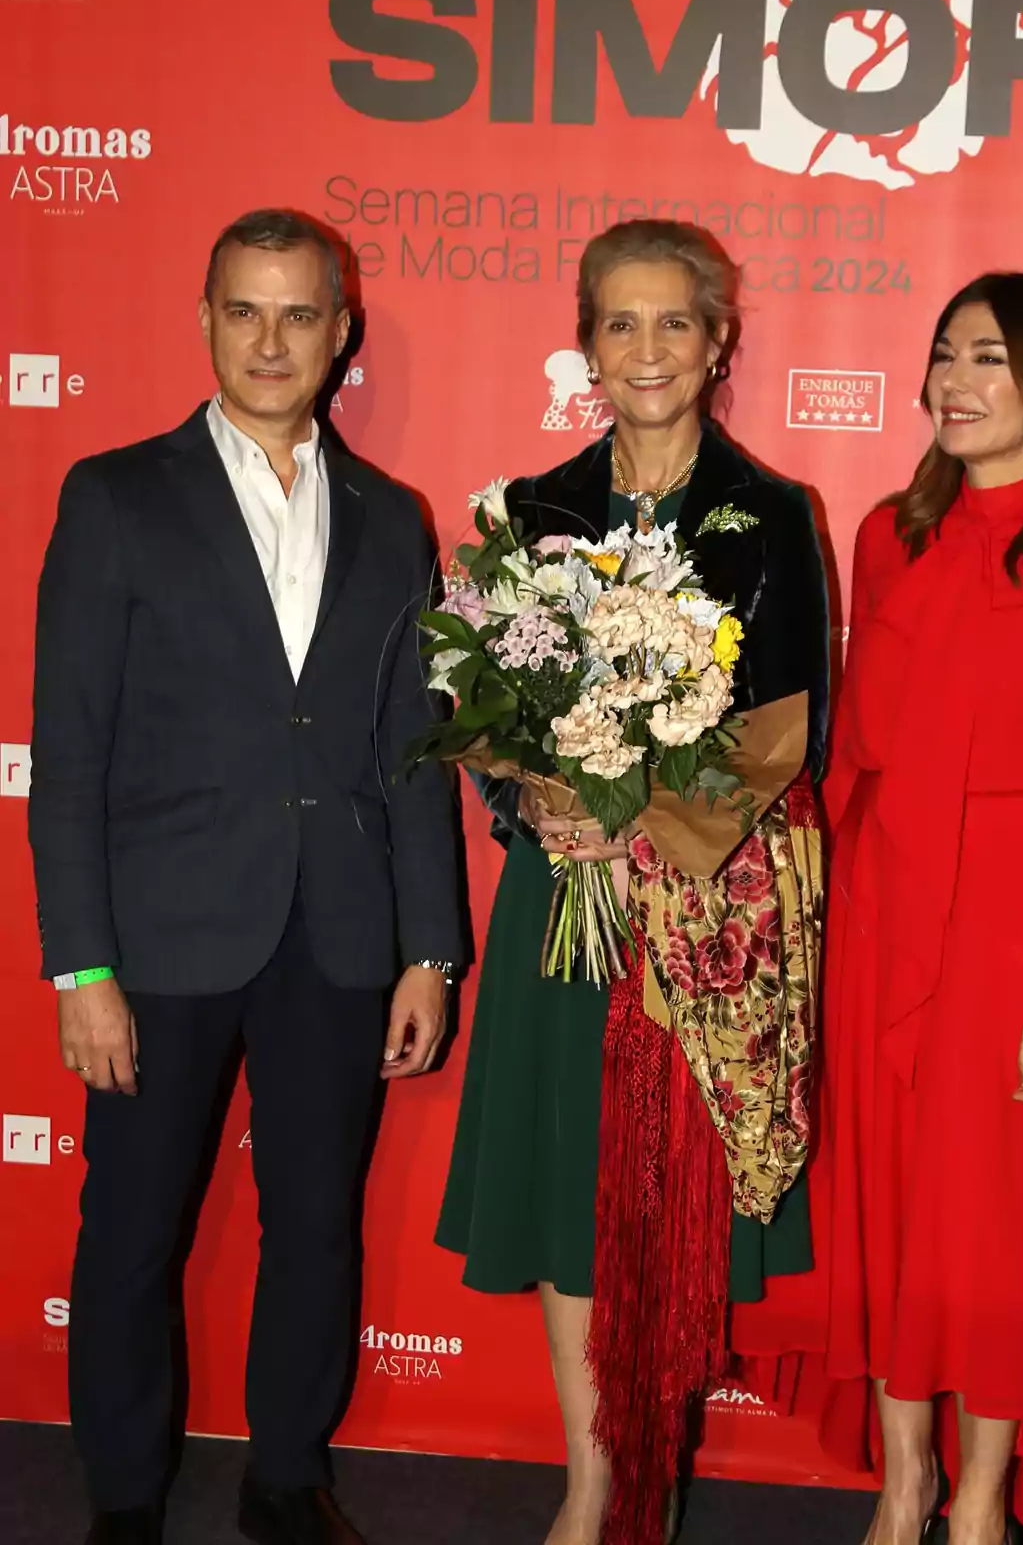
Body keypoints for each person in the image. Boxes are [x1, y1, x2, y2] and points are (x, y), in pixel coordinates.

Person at [29, 209, 466, 1545]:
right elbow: (70, 753)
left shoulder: (396, 519)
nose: (271, 342)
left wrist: (429, 949)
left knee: (316, 1226)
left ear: (344, 332)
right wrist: (82, 966)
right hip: (160, 939)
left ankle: (287, 1477)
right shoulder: (115, 494)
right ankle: (121, 1497)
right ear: (207, 318)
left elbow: (415, 752)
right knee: (134, 1234)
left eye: (298, 315)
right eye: (243, 311)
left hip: (339, 936)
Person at [435, 219, 830, 1545]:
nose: (646, 349)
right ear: (587, 342)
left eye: (675, 323)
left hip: (696, 920)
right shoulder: (532, 512)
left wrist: (651, 825)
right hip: (563, 902)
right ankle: (591, 1477)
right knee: (567, 1185)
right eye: (620, 323)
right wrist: (538, 802)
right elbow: (487, 709)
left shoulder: (773, 515)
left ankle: (651, 1462)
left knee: (667, 1196)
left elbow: (789, 727)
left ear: (718, 344)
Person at [810, 272, 1023, 1542]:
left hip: (1016, 928)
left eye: (989, 358)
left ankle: (979, 1497)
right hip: (883, 909)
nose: (953, 380)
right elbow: (856, 751)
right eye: (944, 354)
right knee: (893, 1200)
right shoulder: (884, 533)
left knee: (994, 1212)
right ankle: (904, 1482)